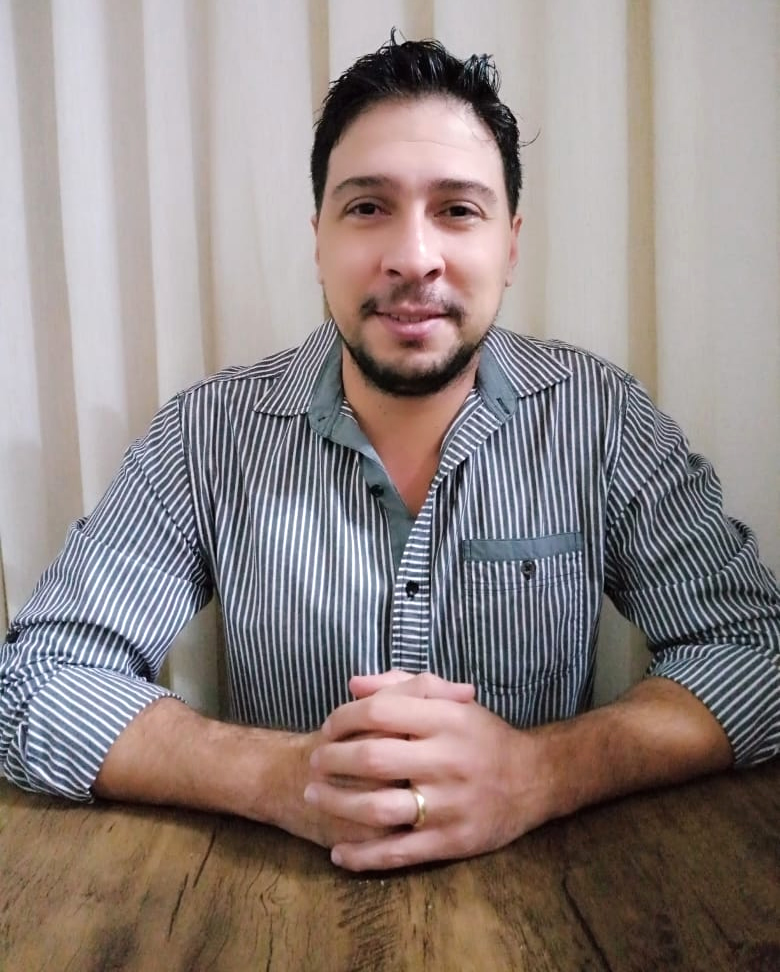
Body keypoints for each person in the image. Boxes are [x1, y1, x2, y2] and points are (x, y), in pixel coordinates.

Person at [1, 35, 778, 873]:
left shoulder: (603, 420)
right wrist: (281, 777)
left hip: (552, 903)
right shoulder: (206, 436)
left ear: (511, 244)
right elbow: (36, 682)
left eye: (458, 210)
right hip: (275, 903)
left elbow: (754, 653)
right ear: (318, 241)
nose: (413, 258)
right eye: (368, 207)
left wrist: (542, 772)